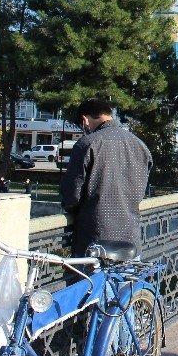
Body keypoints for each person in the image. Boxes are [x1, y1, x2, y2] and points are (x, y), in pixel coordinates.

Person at [60, 98, 152, 257]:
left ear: (85, 120)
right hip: (130, 240)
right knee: (128, 281)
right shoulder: (140, 146)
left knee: (89, 282)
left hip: (95, 240)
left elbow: (72, 196)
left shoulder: (87, 144)